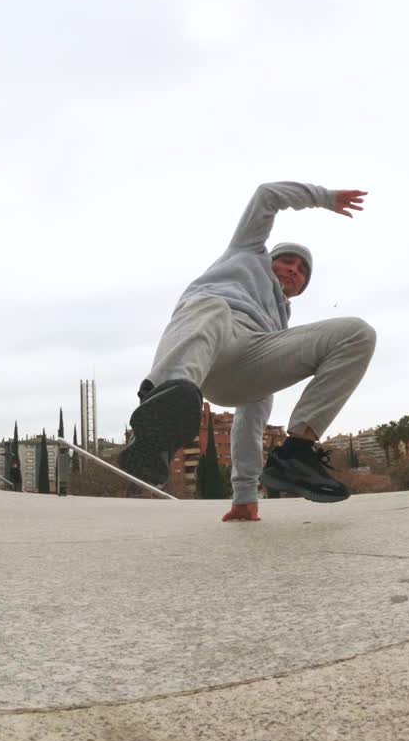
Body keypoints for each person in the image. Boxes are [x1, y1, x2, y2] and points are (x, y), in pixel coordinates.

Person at [118, 180, 376, 516]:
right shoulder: (248, 251)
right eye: (287, 261)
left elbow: (253, 413)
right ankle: (159, 419)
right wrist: (325, 198)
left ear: (302, 287)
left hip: (248, 361)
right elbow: (268, 196)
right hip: (203, 343)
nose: (293, 270)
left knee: (358, 333)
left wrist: (244, 495)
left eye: (302, 271)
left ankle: (296, 454)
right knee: (211, 306)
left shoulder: (279, 322)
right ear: (270, 259)